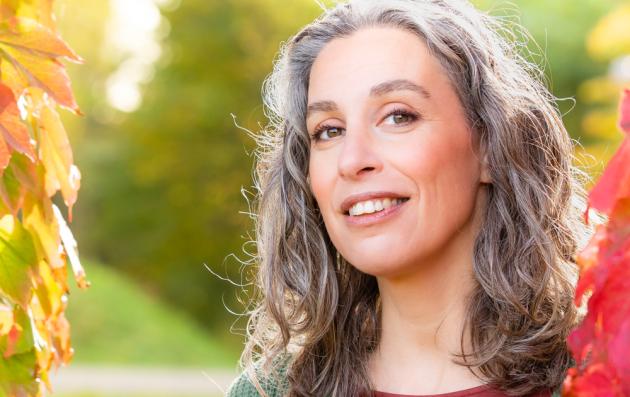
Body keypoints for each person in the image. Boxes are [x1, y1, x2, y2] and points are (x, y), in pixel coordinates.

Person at [227, 0, 589, 396]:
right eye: (329, 130)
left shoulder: (601, 374)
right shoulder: (269, 391)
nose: (352, 160)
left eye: (398, 116)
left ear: (489, 144)